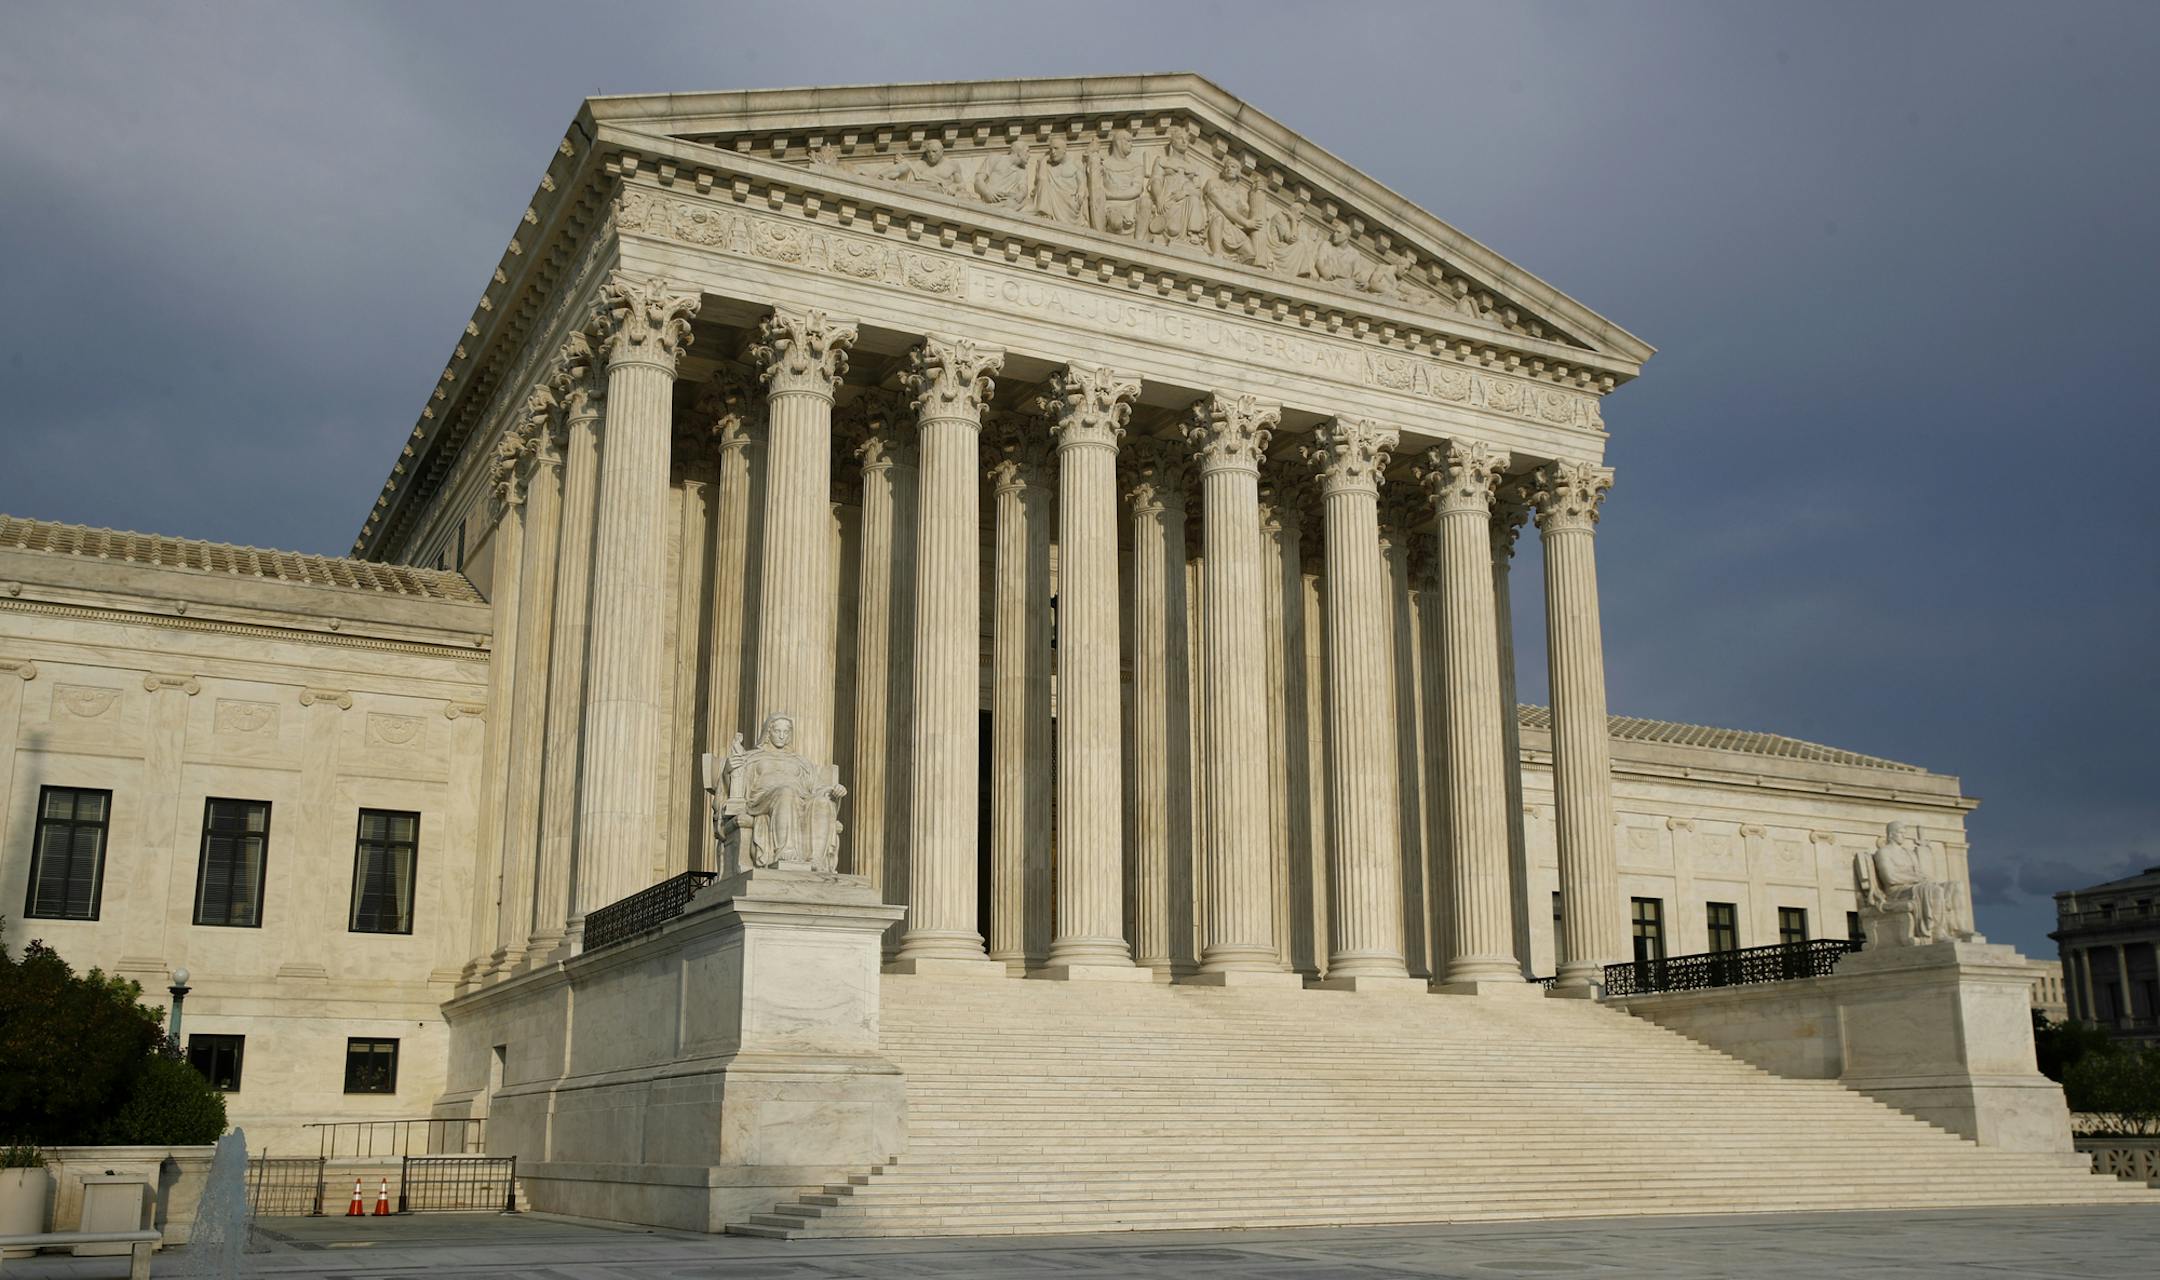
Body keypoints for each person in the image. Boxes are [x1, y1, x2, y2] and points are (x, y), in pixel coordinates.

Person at [724, 714, 846, 872]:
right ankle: (786, 851)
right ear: (768, 732)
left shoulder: (801, 762)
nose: (782, 736)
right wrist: (729, 769)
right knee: (786, 792)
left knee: (823, 803)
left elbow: (818, 787)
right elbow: (734, 786)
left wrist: (833, 791)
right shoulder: (752, 757)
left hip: (800, 798)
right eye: (777, 731)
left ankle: (816, 859)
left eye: (786, 732)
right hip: (762, 801)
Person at [1089, 128, 1146, 235]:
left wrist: (1110, 194)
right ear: (1119, 142)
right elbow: (1096, 187)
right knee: (1116, 223)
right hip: (1111, 206)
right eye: (1128, 141)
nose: (1131, 145)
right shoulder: (1104, 164)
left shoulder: (1137, 166)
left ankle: (1141, 244)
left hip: (1132, 204)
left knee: (1146, 202)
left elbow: (1137, 190)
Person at [1033, 135, 1089, 226]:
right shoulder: (1048, 166)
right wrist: (1044, 161)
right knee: (1046, 186)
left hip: (1070, 201)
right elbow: (1041, 181)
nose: (1053, 152)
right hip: (1053, 199)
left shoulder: (1075, 163)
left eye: (1056, 148)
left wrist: (1081, 190)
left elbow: (1082, 182)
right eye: (1050, 149)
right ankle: (1045, 213)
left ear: (1064, 150)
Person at [974, 137, 1034, 211]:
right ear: (1019, 152)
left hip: (1008, 202)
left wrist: (1021, 194)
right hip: (990, 199)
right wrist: (987, 193)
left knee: (1030, 206)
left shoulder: (1022, 171)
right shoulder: (996, 158)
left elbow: (1023, 188)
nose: (1029, 155)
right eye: (1027, 151)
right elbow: (978, 180)